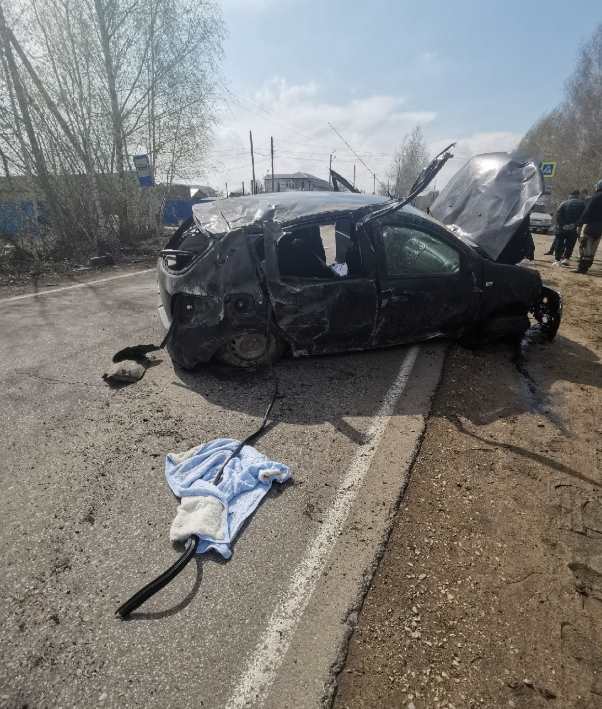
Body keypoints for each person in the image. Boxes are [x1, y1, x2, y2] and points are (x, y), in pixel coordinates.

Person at [552, 190, 585, 266]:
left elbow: (558, 215)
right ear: (578, 196)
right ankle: (566, 259)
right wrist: (574, 225)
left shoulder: (564, 203)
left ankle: (557, 260)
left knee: (559, 243)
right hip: (574, 229)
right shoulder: (582, 204)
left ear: (570, 195)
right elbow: (583, 217)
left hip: (562, 229)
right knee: (570, 244)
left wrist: (563, 225)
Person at [576, 180, 602, 273]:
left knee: (585, 246)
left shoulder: (595, 197)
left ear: (598, 187)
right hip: (599, 229)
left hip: (590, 227)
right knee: (593, 249)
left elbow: (587, 213)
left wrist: (579, 225)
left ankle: (582, 268)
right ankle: (587, 267)